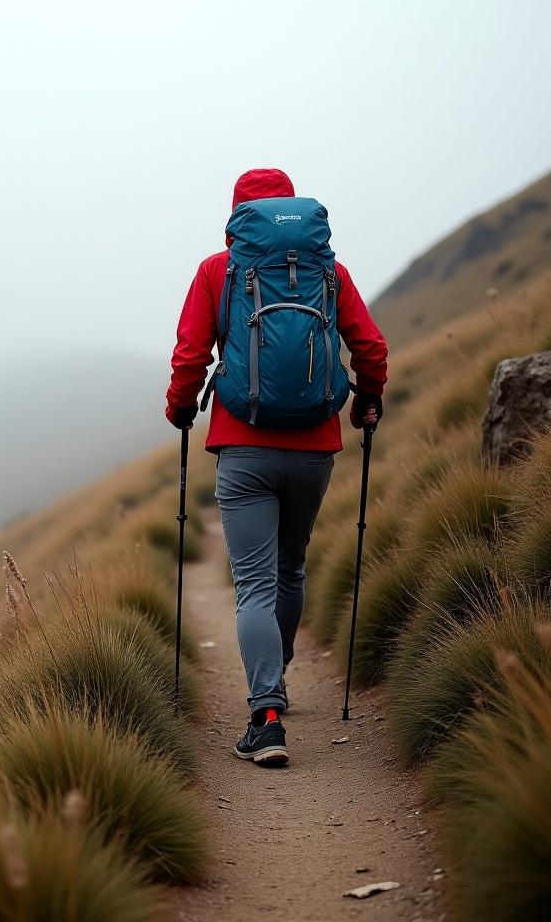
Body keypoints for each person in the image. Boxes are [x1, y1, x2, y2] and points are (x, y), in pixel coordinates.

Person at [165, 168, 388, 766]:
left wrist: (181, 407)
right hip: (315, 447)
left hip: (244, 447)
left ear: (238, 214)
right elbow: (370, 346)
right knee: (290, 567)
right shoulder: (328, 271)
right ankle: (277, 678)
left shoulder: (221, 269)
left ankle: (264, 714)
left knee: (255, 583)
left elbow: (190, 351)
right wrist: (368, 397)